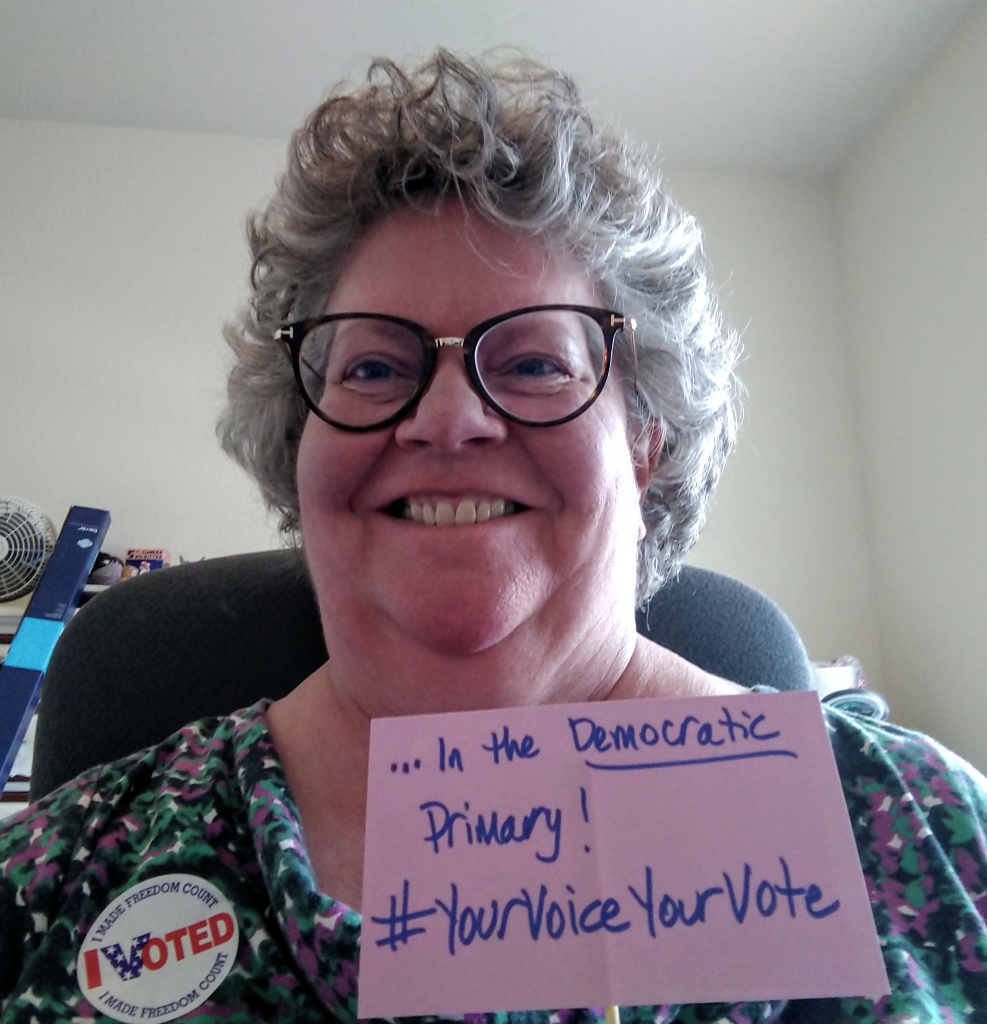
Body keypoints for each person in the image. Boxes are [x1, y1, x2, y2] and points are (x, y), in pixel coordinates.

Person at [1, 49, 985, 1024]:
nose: (447, 417)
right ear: (299, 442)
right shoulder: (63, 876)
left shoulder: (930, 824)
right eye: (376, 369)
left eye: (536, 363)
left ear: (645, 441)